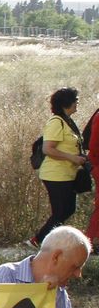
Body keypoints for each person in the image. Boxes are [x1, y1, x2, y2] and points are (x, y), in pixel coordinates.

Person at [33, 88, 88, 246]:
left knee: (69, 209)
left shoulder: (67, 121)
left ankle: (47, 240)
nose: (77, 102)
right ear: (66, 103)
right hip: (55, 174)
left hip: (67, 173)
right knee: (60, 211)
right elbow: (48, 149)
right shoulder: (56, 122)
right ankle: (39, 240)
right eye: (75, 100)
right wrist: (72, 158)